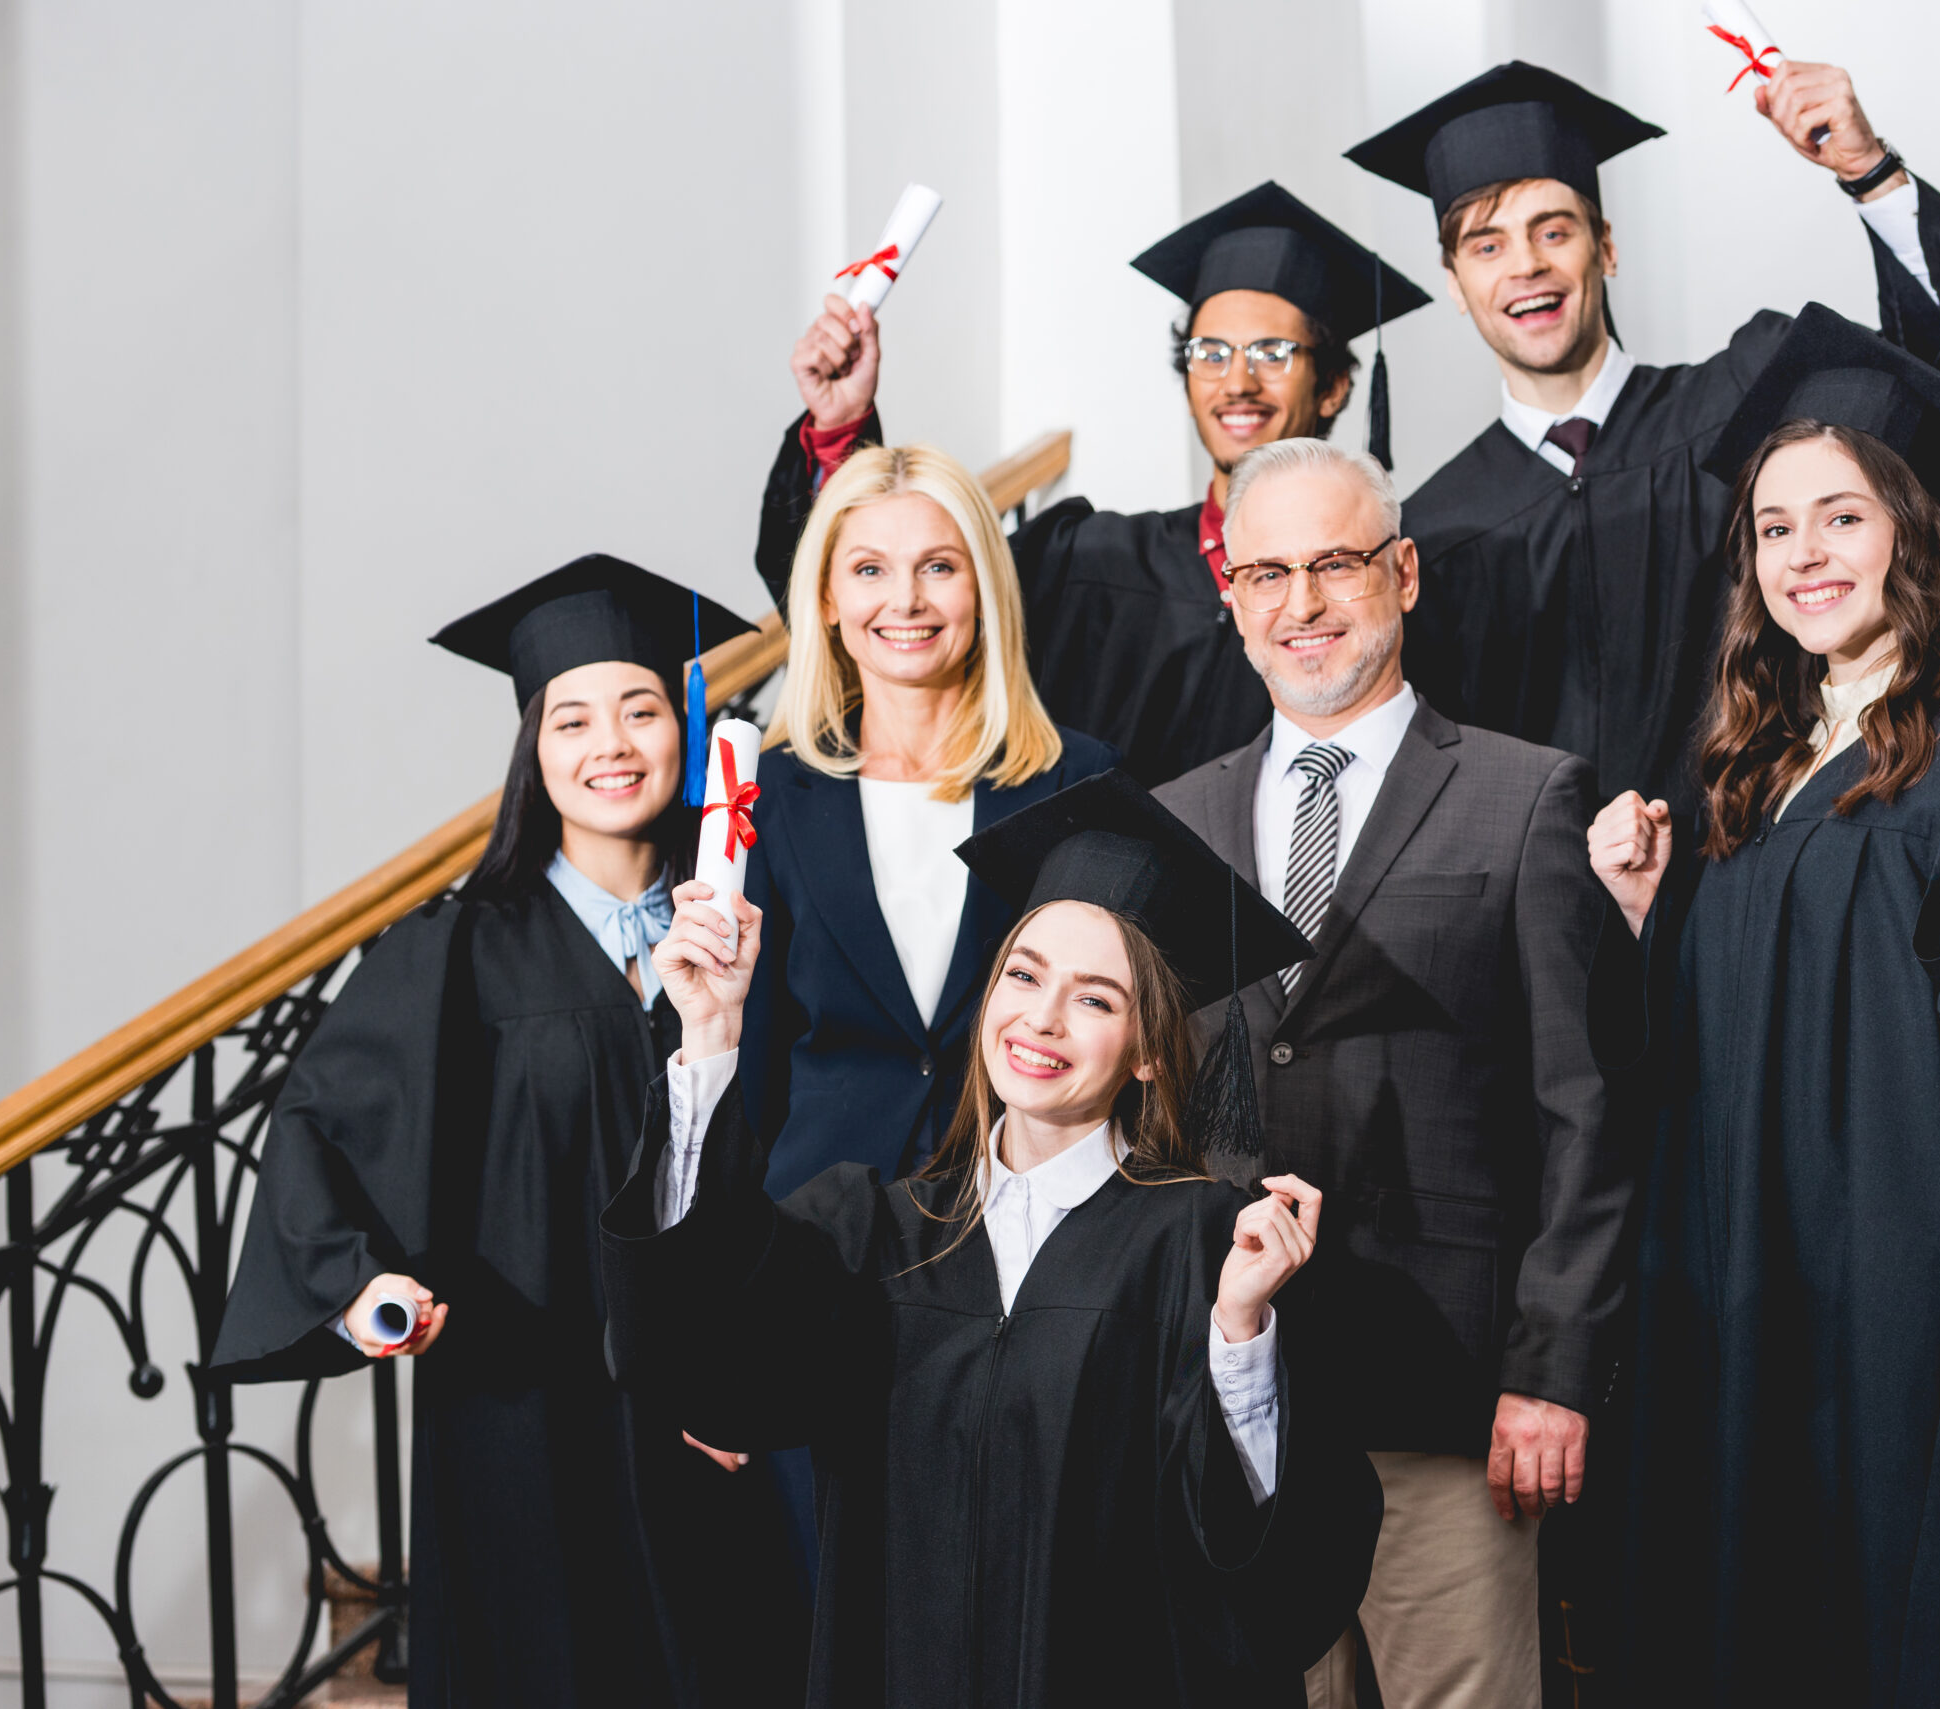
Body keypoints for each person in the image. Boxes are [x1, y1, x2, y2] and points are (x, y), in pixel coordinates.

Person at [1585, 306, 1940, 1704]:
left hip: (1909, 1293)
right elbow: (1703, 1058)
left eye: (1840, 517)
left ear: (1911, 532)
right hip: (1744, 1286)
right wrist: (1658, 918)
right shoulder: (1744, 773)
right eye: (1775, 528)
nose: (1804, 555)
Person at [603, 769, 1385, 1707]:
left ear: (1146, 1049)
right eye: (1023, 974)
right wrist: (712, 1032)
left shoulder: (1213, 1247)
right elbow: (707, 1364)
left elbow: (1286, 1574)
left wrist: (1241, 1335)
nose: (1043, 1018)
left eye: (1096, 999)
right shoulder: (875, 1230)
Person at [211, 556, 803, 1708]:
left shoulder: (743, 935)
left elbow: (798, 1158)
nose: (611, 743)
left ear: (685, 731)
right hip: (521, 1403)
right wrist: (361, 1283)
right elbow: (322, 1126)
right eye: (571, 718)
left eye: (640, 708)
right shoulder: (456, 950)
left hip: (701, 1406)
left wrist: (756, 1372)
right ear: (534, 751)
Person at [1153, 438, 1621, 1709]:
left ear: (1402, 572)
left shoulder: (1526, 798)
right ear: (1232, 598)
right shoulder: (1176, 822)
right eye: (1266, 573)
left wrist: (1551, 1368)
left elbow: (1585, 1111)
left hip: (1451, 1398)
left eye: (1335, 564)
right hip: (1240, 1394)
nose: (1301, 604)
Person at [1345, 59, 1940, 809]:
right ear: (1455, 282)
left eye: (1554, 230)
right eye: (1487, 246)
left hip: (1761, 871)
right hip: (1553, 912)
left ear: (1605, 246)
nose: (1526, 265)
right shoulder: (1436, 528)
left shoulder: (1750, 402)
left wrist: (1868, 171)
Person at [757, 182, 1430, 784]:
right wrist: (840, 429)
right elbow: (875, 608)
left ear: (1337, 384)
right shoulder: (1083, 562)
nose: (1237, 382)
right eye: (1211, 353)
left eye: (1273, 354)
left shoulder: (1377, 586)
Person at [742, 442, 1116, 1197]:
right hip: (820, 1218)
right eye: (870, 569)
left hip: (1017, 1205)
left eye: (939, 566)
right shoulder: (776, 789)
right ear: (825, 598)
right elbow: (757, 1044)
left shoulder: (1076, 778)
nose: (905, 600)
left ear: (983, 587)